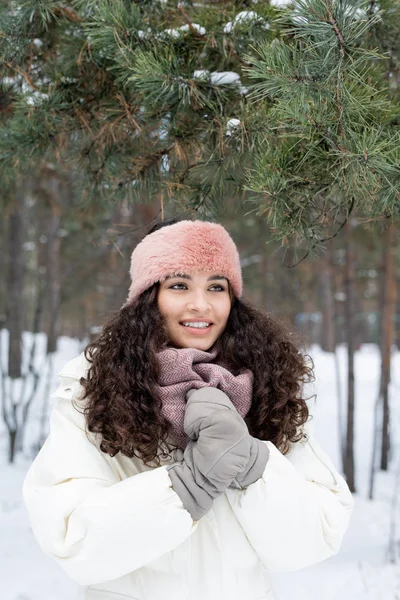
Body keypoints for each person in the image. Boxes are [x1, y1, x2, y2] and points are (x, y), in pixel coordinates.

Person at [23, 219, 354, 600]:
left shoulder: (267, 386)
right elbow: (72, 540)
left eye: (216, 286)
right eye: (179, 285)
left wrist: (252, 464)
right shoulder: (92, 391)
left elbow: (316, 537)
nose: (201, 304)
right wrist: (186, 486)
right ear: (148, 297)